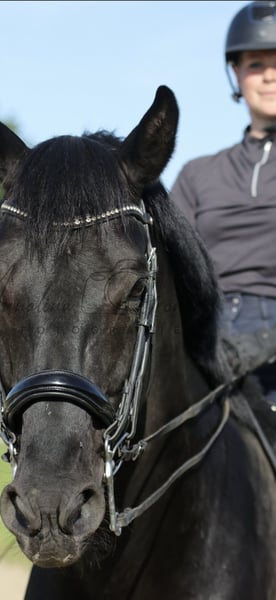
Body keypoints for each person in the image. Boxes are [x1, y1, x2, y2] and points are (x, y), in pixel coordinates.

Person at [170, 1, 276, 424]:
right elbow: (169, 270)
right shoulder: (198, 174)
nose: (269, 75)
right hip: (208, 339)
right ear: (236, 73)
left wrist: (265, 340)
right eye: (255, 64)